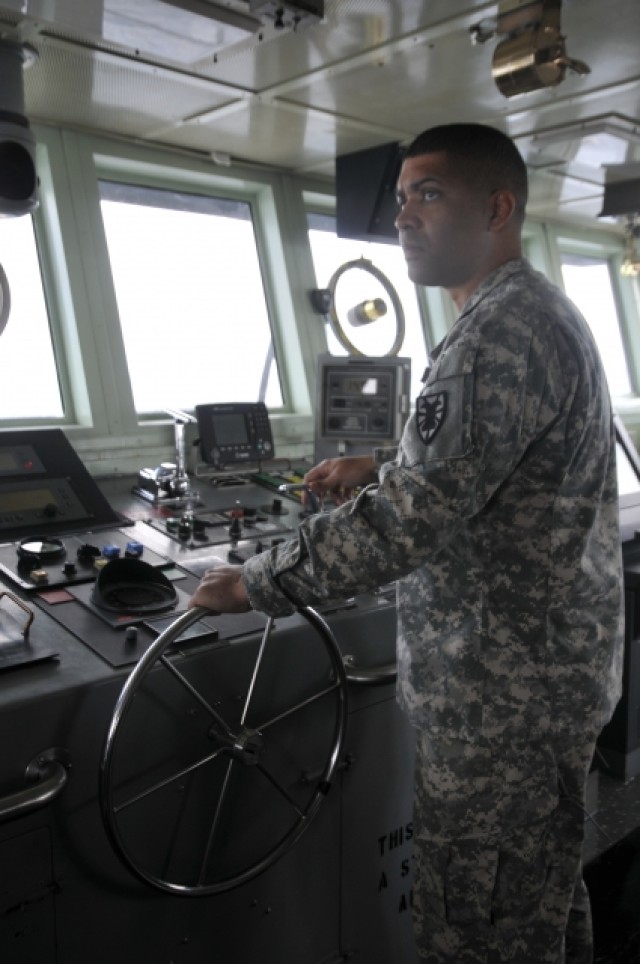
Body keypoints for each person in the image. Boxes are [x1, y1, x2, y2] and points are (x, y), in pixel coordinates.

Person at [189, 123, 624, 963]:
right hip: (542, 687)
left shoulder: (496, 333)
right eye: (400, 199)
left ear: (498, 208)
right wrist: (384, 460)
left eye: (429, 195)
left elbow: (405, 524)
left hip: (501, 706)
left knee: (478, 930)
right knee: (538, 902)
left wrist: (253, 582)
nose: (403, 218)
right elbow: (482, 460)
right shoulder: (529, 312)